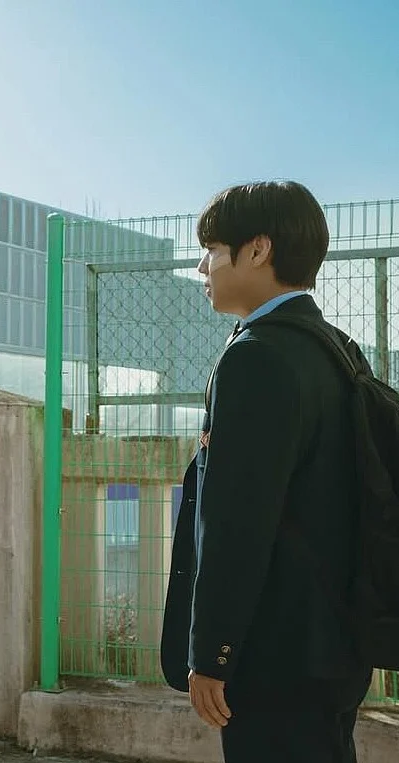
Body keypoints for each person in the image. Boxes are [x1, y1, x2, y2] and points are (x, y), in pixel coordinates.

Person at [160, 181, 372, 763]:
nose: (202, 267)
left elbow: (238, 521)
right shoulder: (338, 349)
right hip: (333, 642)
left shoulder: (256, 356)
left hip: (274, 652)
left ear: (257, 249)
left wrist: (213, 653)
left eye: (212, 250)